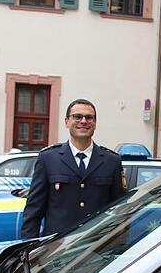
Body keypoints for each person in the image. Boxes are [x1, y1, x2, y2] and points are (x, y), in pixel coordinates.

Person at [21, 99, 125, 239]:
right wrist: (29, 248)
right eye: (77, 117)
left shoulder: (111, 161)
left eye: (89, 117)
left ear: (95, 123)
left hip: (96, 248)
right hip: (55, 249)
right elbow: (34, 210)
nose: (83, 121)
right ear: (66, 122)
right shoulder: (48, 159)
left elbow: (120, 210)